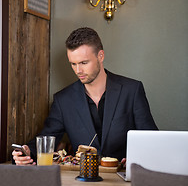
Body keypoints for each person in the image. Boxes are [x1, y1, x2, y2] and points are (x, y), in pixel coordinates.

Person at [12, 27, 158, 165]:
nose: (78, 70)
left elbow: (152, 141)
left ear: (100, 56)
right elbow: (46, 140)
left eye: (83, 62)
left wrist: (137, 158)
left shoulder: (132, 90)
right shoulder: (63, 100)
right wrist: (25, 152)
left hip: (125, 179)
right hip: (82, 180)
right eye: (73, 64)